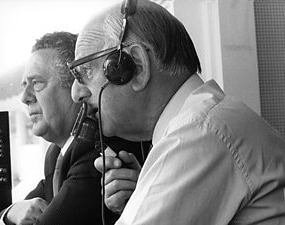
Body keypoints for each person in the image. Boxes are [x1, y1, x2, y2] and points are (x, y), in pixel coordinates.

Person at [69, 0, 285, 224]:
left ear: (136, 66)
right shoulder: (203, 124)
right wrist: (141, 198)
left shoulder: (198, 134)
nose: (76, 94)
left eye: (84, 73)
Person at [0, 31, 142, 225]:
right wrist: (10, 214)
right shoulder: (57, 153)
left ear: (76, 85)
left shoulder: (98, 153)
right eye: (24, 85)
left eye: (36, 83)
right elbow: (12, 213)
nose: (25, 98)